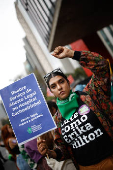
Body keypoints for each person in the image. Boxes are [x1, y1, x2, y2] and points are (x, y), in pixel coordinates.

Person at [37, 46, 113, 170]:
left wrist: (72, 54)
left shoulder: (90, 94)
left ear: (68, 82)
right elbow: (64, 150)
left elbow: (102, 65)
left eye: (61, 82)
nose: (59, 87)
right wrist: (50, 153)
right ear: (51, 91)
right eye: (54, 86)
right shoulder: (57, 120)